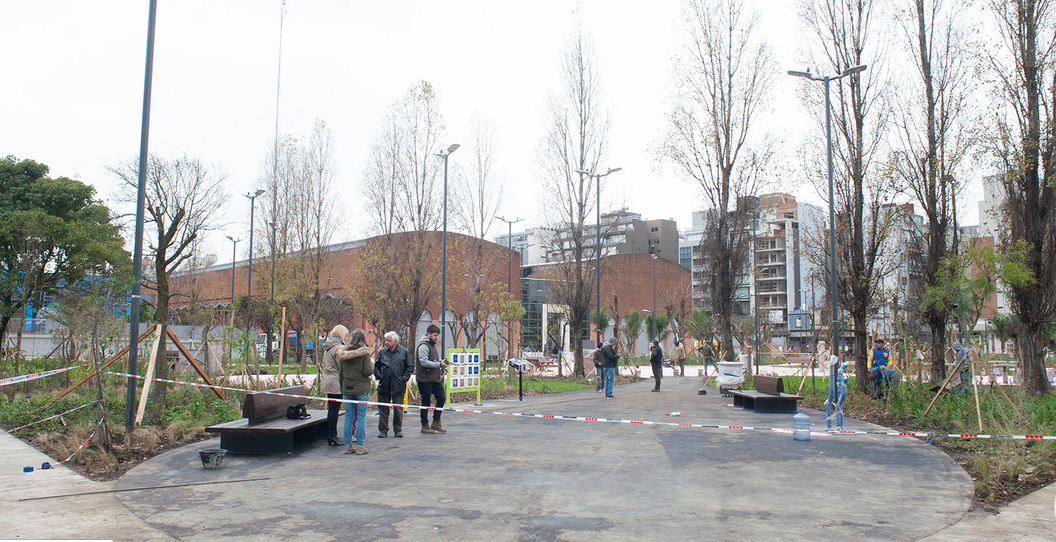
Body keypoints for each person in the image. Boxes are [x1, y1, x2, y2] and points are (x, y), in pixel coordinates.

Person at [339, 328, 374, 455]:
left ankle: (347, 446)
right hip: (361, 389)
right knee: (361, 417)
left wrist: (342, 387)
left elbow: (341, 373)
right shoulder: (364, 353)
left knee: (348, 417)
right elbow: (368, 371)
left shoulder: (343, 353)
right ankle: (360, 446)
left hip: (347, 388)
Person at [321, 325, 357, 446]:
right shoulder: (339, 348)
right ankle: (332, 435)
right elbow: (342, 366)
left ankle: (330, 433)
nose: (347, 337)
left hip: (329, 380)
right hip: (336, 381)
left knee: (331, 408)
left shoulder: (328, 346)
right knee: (334, 409)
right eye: (346, 335)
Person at [374, 331, 413, 438]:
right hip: (384, 385)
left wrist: (404, 378)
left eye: (388, 340)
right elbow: (376, 366)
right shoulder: (382, 352)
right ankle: (383, 430)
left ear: (395, 341)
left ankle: (398, 429)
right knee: (383, 409)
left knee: (398, 409)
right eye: (385, 340)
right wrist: (379, 376)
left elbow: (410, 367)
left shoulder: (404, 352)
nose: (386, 342)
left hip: (398, 385)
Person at [417, 324, 450, 434]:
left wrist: (441, 361)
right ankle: (424, 425)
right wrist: (439, 364)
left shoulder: (431, 345)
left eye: (437, 336)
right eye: (435, 335)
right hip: (425, 379)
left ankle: (436, 422)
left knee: (441, 398)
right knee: (425, 402)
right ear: (429, 334)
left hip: (434, 379)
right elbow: (424, 362)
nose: (437, 338)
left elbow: (433, 359)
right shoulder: (423, 346)